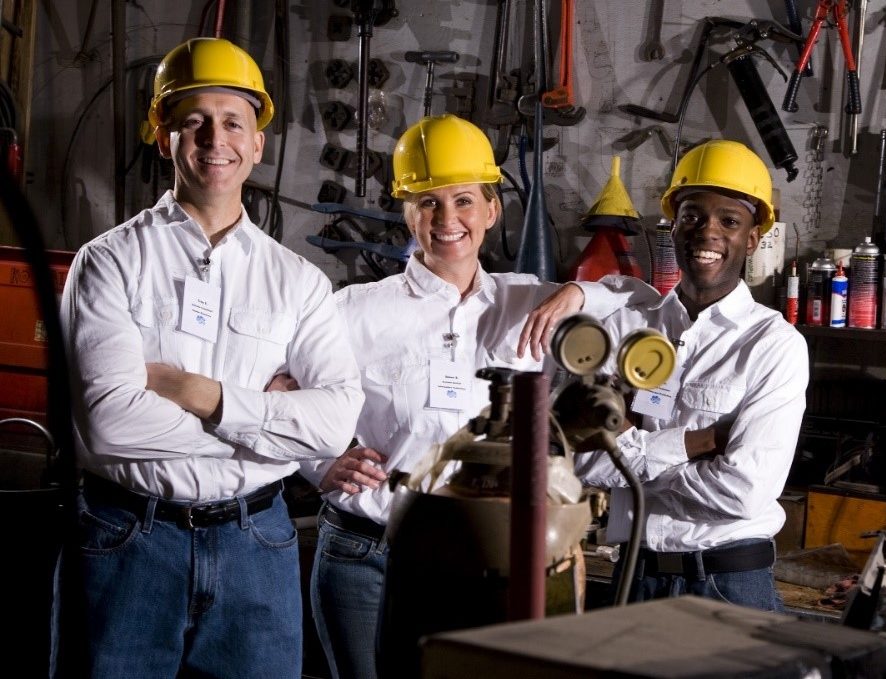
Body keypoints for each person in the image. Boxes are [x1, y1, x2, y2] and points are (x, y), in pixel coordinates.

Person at [300, 114, 650, 679]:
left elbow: (648, 305)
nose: (447, 220)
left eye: (464, 201)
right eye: (427, 203)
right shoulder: (355, 312)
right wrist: (318, 463)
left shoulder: (527, 300)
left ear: (491, 211)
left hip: (492, 554)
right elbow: (274, 394)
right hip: (371, 553)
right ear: (406, 213)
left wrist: (576, 291)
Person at [58, 37, 364, 677]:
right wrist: (268, 427)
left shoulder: (299, 282)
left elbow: (334, 425)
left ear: (257, 144)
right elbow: (108, 423)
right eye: (191, 121)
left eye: (232, 123)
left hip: (257, 546)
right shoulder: (110, 263)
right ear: (162, 135)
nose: (213, 139)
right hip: (128, 539)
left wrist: (195, 392)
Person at [545, 139, 809, 611]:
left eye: (729, 220)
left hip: (728, 584)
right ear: (674, 227)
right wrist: (696, 444)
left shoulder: (774, 346)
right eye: (692, 216)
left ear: (752, 237)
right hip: (635, 577)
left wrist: (632, 457)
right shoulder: (629, 327)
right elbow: (582, 461)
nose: (707, 232)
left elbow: (743, 492)